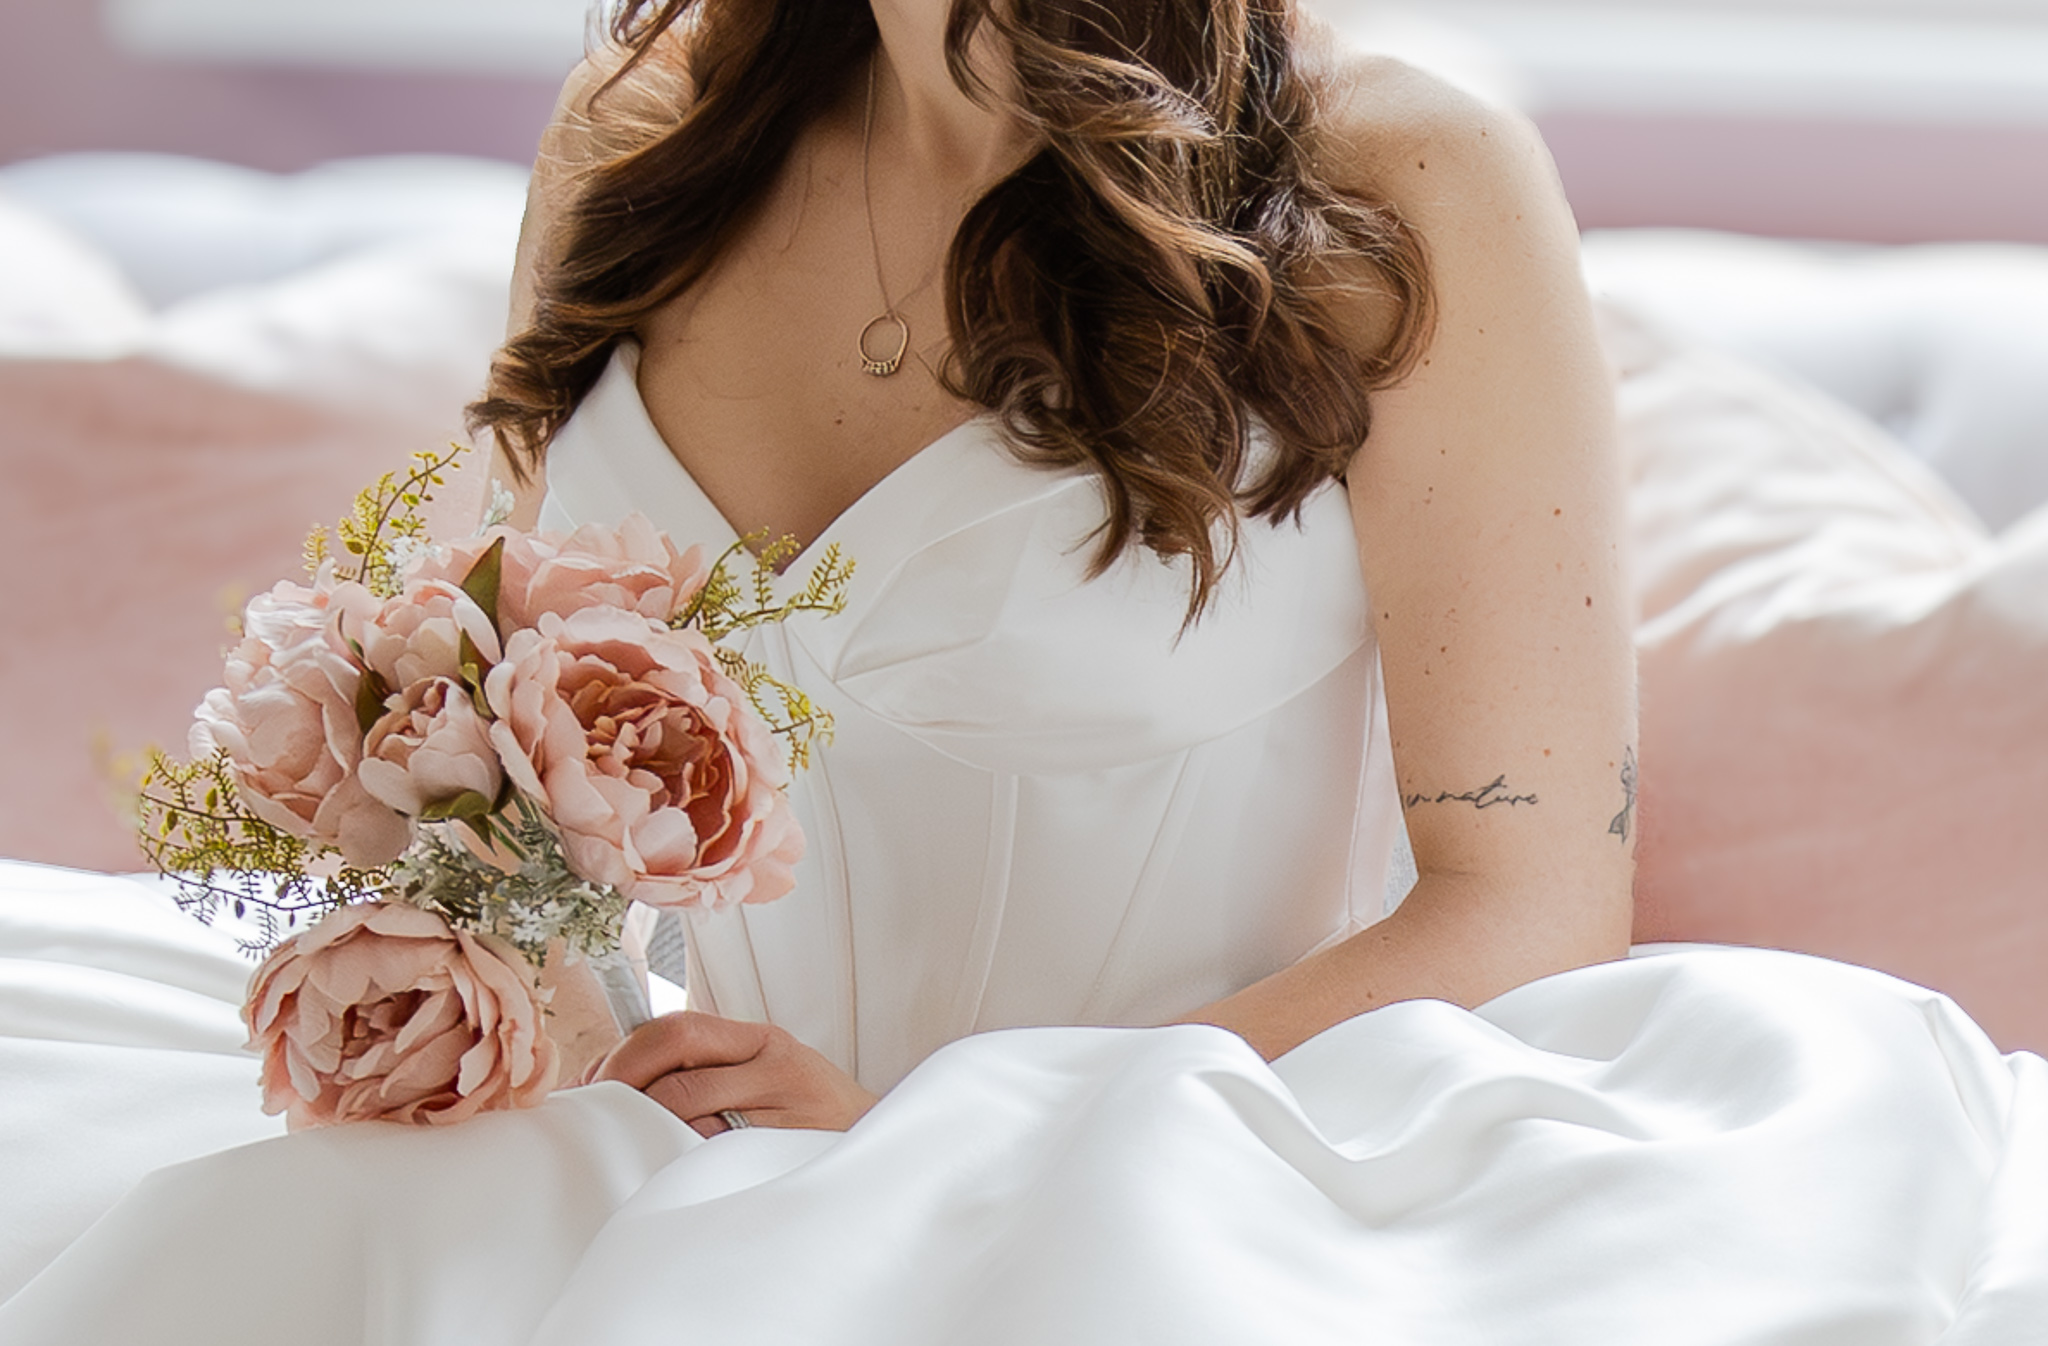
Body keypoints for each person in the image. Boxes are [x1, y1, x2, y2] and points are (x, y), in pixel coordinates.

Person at [0, 1, 2037, 1341]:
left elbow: (1523, 900)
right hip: (683, 1143)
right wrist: (500, 973)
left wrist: (921, 1125)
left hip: (1165, 1163)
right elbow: (529, 726)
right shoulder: (649, 122)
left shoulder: (1397, 184)